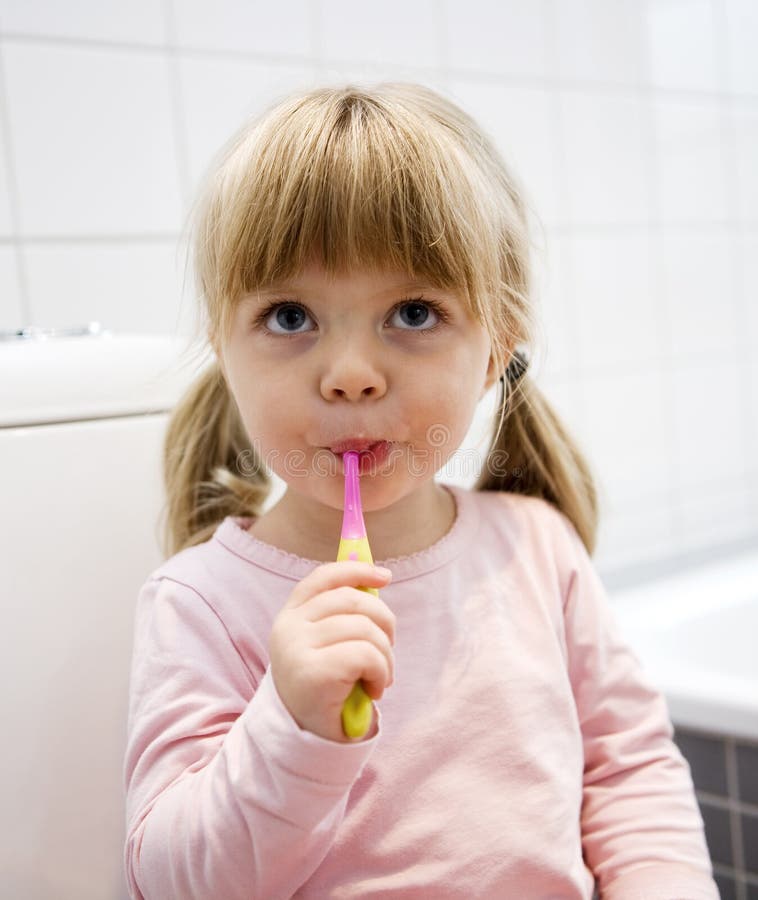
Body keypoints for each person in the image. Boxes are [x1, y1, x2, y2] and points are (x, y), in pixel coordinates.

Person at [122, 82, 719, 899]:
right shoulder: (201, 603)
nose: (352, 377)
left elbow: (631, 771)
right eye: (291, 318)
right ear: (224, 350)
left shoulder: (536, 548)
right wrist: (289, 728)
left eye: (412, 312)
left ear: (497, 346)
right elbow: (171, 880)